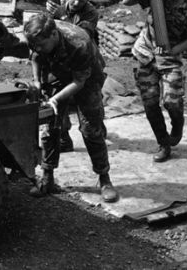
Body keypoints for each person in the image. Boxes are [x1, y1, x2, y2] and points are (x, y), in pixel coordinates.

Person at [23, 13, 118, 203]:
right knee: (50, 127)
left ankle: (104, 179)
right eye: (35, 44)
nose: (38, 48)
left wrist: (55, 99)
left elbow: (78, 82)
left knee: (91, 129)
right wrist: (37, 82)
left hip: (87, 78)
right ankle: (47, 178)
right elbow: (35, 55)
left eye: (42, 45)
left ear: (53, 36)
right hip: (57, 71)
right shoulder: (36, 38)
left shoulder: (79, 43)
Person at [121, 0, 187, 163]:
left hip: (170, 59)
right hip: (145, 53)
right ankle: (163, 143)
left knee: (172, 102)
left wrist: (172, 51)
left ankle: (177, 123)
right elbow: (127, 1)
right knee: (150, 103)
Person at [46, 0, 100, 152]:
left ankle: (97, 126)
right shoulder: (58, 8)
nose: (77, 3)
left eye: (81, 1)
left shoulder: (91, 13)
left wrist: (60, 18)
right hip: (62, 63)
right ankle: (64, 138)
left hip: (85, 60)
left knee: (90, 106)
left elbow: (81, 34)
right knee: (58, 103)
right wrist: (48, 15)